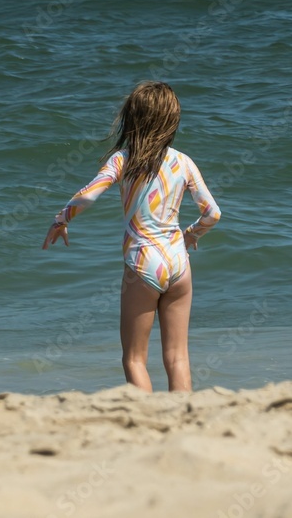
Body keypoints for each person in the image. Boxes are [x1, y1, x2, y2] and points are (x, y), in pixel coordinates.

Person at [42, 81, 221, 392]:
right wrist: (191, 234)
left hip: (142, 263)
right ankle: (185, 420)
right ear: (171, 120)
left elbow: (88, 196)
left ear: (132, 119)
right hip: (179, 263)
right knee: (178, 357)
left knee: (134, 359)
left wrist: (62, 219)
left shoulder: (123, 160)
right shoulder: (184, 162)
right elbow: (213, 213)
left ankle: (147, 422)